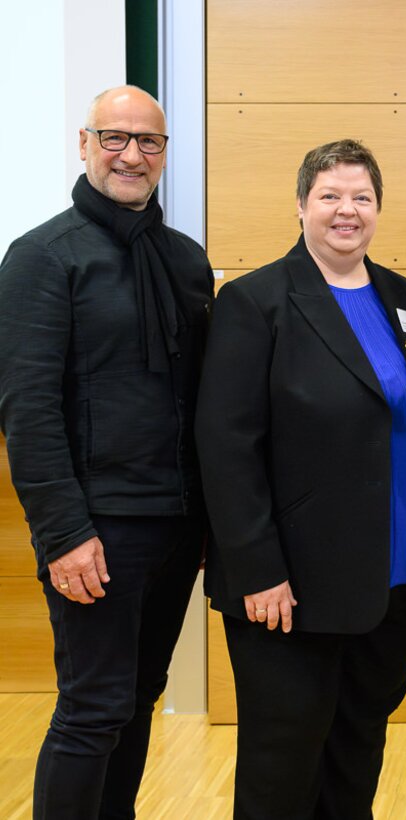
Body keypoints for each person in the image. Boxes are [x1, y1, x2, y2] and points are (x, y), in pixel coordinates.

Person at [195, 139, 406, 819]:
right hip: (292, 584)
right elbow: (225, 445)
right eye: (331, 196)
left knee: (357, 749)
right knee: (283, 765)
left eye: (361, 197)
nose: (347, 211)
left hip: (396, 570)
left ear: (378, 209)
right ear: (302, 204)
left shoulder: (405, 298)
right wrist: (256, 568)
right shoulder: (256, 301)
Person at [0, 85, 212, 819]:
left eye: (148, 141)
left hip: (177, 524)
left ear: (163, 155)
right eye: (115, 138)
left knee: (138, 699)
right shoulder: (40, 258)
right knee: (92, 709)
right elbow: (25, 409)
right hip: (96, 529)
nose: (132, 154)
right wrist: (63, 534)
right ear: (84, 144)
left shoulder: (185, 260)